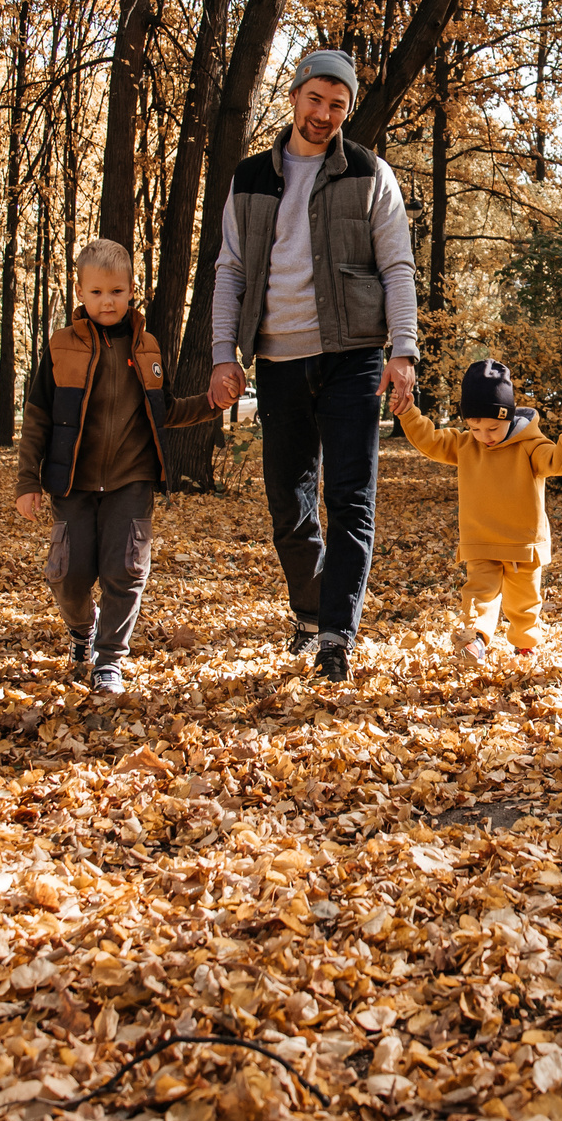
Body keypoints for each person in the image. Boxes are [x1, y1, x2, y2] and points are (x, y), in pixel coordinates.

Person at [206, 50, 419, 683]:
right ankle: (310, 610)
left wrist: (402, 351)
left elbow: (397, 267)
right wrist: (224, 356)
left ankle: (335, 636)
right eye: (315, 99)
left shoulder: (369, 174)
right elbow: (230, 273)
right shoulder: (249, 179)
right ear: (295, 96)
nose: (324, 114)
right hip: (278, 361)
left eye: (337, 105)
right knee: (290, 503)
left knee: (351, 499)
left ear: (347, 111)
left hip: (354, 356)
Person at [17, 240, 218, 693]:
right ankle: (82, 628)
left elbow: (162, 411)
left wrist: (209, 404)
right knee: (67, 576)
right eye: (96, 292)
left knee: (125, 572)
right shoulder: (61, 346)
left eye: (116, 291)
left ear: (132, 291)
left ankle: (109, 661)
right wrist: (28, 481)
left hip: (132, 480)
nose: (106, 301)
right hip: (73, 482)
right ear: (80, 292)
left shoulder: (147, 347)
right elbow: (38, 417)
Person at [392, 358, 562, 661]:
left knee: (523, 603)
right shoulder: (466, 444)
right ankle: (476, 640)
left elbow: (559, 462)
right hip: (480, 539)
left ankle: (525, 644)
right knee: (478, 594)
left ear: (508, 415)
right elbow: (429, 440)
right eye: (475, 427)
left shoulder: (530, 445)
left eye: (493, 427)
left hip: (522, 542)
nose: (485, 436)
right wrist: (407, 412)